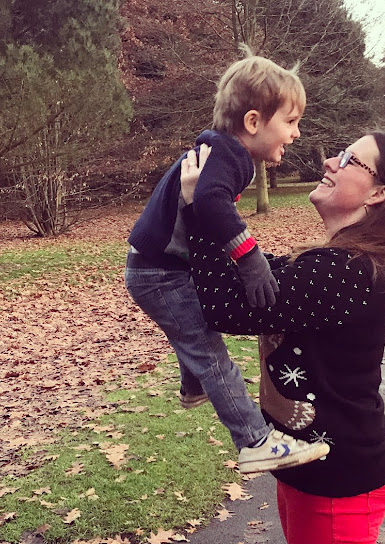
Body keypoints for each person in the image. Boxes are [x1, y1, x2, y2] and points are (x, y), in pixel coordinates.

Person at [181, 131, 385, 544]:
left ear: (378, 193)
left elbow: (221, 304)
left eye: (348, 159)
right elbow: (252, 278)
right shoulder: (338, 262)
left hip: (337, 482)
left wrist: (199, 207)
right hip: (319, 471)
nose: (329, 160)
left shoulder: (347, 270)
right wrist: (219, 202)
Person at [125, 54, 329, 474]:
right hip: (159, 273)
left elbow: (202, 206)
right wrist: (251, 259)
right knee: (210, 351)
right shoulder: (231, 156)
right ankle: (254, 440)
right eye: (289, 122)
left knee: (197, 330)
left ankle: (193, 385)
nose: (296, 133)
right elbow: (211, 203)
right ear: (253, 122)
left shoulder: (219, 151)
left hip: (156, 269)